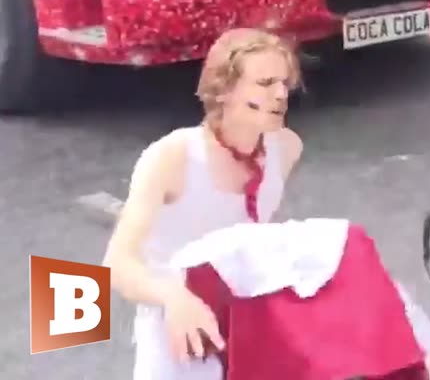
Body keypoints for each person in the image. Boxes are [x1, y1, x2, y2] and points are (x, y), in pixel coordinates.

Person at [102, 28, 304, 376]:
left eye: (285, 83)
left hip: (247, 324)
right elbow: (117, 265)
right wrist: (173, 296)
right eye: (265, 82)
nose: (280, 94)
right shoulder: (173, 156)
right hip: (177, 331)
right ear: (223, 90)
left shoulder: (285, 148)